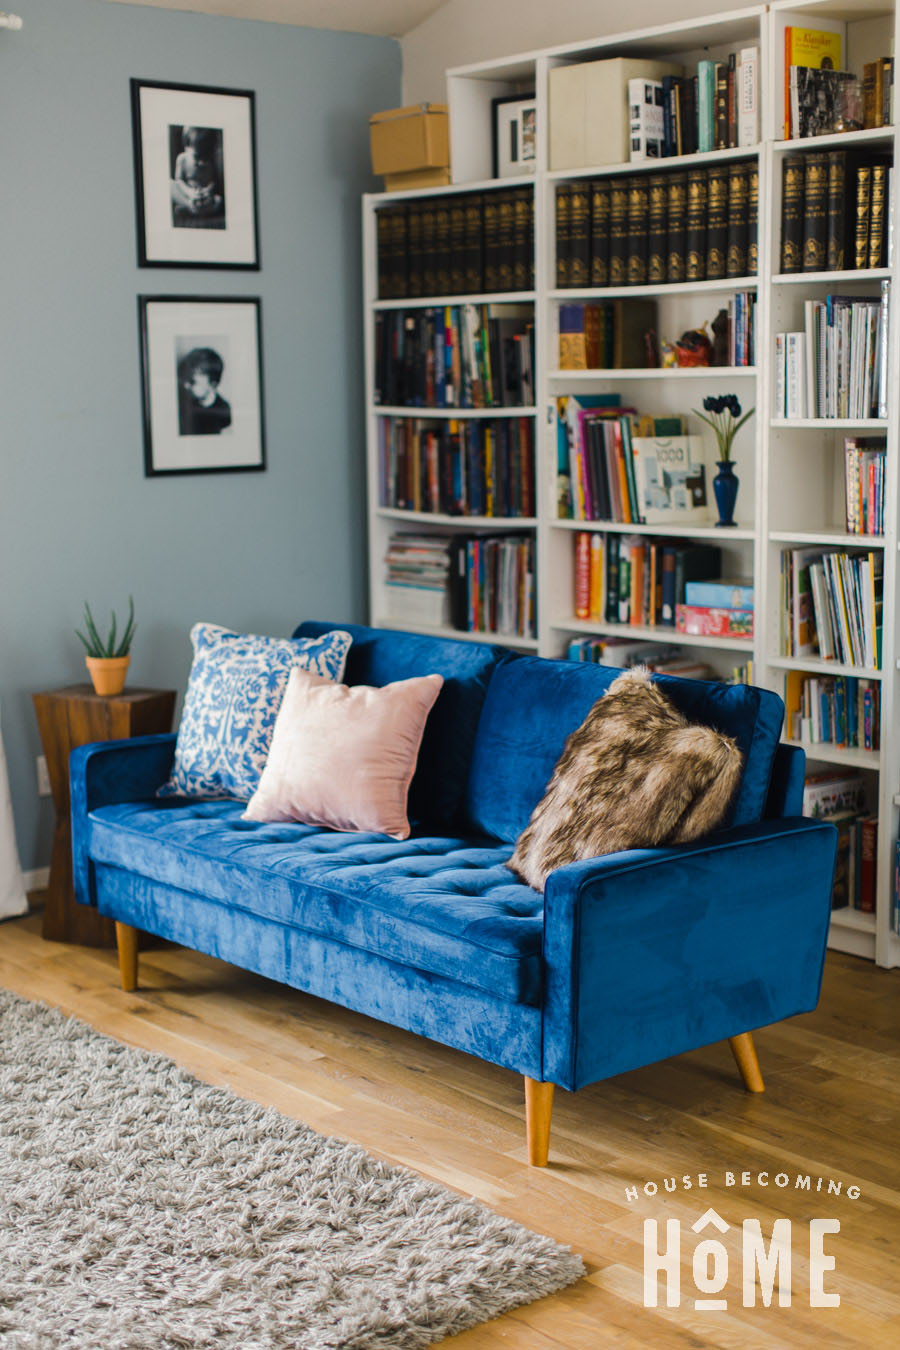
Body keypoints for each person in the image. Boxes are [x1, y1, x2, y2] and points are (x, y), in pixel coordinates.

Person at [171, 126, 225, 229]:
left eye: (201, 147)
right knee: (170, 185)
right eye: (194, 146)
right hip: (188, 194)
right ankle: (190, 206)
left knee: (218, 201)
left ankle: (196, 209)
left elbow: (212, 182)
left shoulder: (209, 162)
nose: (197, 153)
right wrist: (190, 192)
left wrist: (206, 191)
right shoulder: (182, 159)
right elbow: (179, 181)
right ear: (187, 142)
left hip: (203, 197)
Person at [177, 348, 231, 436]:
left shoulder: (224, 411)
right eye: (185, 379)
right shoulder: (184, 408)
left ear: (212, 384)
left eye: (193, 382)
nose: (185, 385)